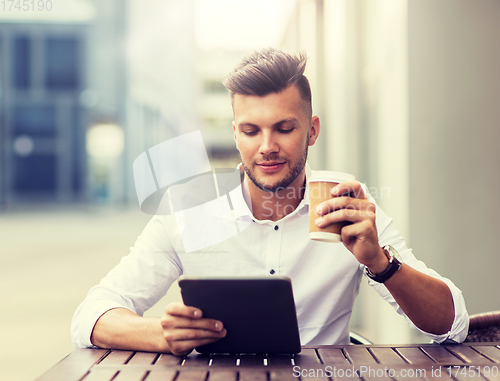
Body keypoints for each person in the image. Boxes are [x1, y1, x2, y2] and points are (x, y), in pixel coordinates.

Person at [71, 48, 468, 356]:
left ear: (311, 131)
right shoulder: (189, 208)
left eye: (283, 128)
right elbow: (90, 316)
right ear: (236, 134)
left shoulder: (347, 208)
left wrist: (380, 262)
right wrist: (160, 332)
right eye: (250, 130)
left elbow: (453, 326)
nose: (267, 147)